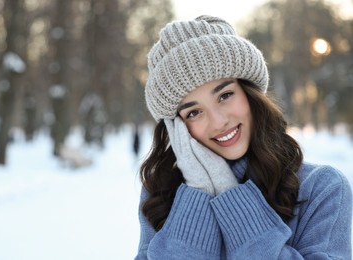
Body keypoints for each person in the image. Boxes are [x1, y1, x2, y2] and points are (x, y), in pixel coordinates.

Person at [135, 15, 352, 259]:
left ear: (250, 94)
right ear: (177, 128)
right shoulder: (162, 194)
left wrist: (231, 195)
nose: (218, 122)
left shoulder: (320, 189)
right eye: (194, 112)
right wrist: (197, 194)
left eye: (225, 95)